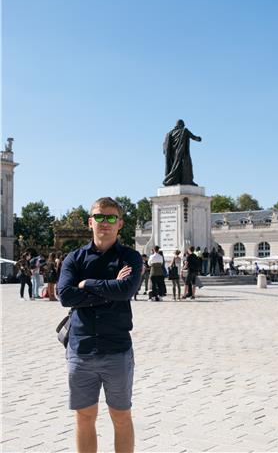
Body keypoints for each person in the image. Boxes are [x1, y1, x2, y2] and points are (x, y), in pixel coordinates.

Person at [57, 197, 142, 453]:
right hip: (81, 348)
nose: (105, 222)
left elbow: (126, 290)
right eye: (100, 217)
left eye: (111, 217)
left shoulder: (131, 257)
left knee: (121, 416)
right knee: (84, 417)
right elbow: (65, 296)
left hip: (116, 348)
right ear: (90, 222)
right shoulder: (74, 258)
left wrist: (86, 284)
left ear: (120, 224)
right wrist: (109, 289)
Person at [163, 119, 202, 186]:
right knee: (186, 166)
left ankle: (175, 180)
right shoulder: (184, 130)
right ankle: (187, 181)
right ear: (182, 125)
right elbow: (193, 137)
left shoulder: (170, 133)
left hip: (173, 154)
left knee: (175, 167)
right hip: (182, 153)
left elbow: (165, 145)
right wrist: (199, 138)